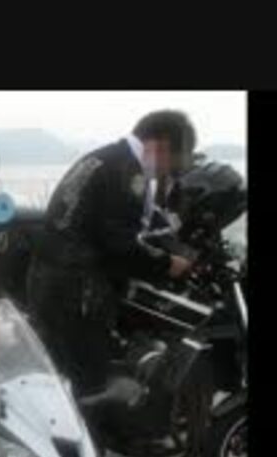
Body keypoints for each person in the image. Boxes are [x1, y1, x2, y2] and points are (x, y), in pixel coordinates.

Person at [26, 109, 198, 397]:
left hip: (46, 279)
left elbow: (116, 220)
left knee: (59, 377)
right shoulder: (128, 172)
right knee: (88, 382)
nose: (167, 172)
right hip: (78, 292)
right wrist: (167, 263)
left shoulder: (102, 158)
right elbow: (119, 245)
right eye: (174, 160)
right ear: (161, 145)